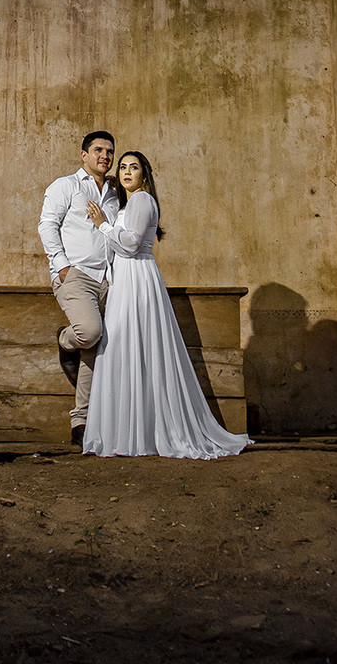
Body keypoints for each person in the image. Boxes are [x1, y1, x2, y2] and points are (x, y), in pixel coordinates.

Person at [82, 151, 250, 459]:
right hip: (126, 279)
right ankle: (131, 432)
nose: (127, 171)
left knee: (130, 344)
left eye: (134, 167)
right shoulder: (129, 204)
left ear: (145, 174)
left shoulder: (143, 201)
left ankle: (141, 434)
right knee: (123, 345)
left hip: (136, 277)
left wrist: (102, 225)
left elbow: (131, 246)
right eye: (123, 167)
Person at [37, 131, 121, 446]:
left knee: (96, 346)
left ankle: (81, 422)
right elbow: (47, 224)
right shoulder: (65, 186)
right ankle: (65, 338)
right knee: (88, 332)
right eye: (98, 150)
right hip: (76, 275)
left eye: (110, 151)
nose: (105, 156)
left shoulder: (114, 193)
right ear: (83, 154)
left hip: (109, 279)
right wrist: (61, 265)